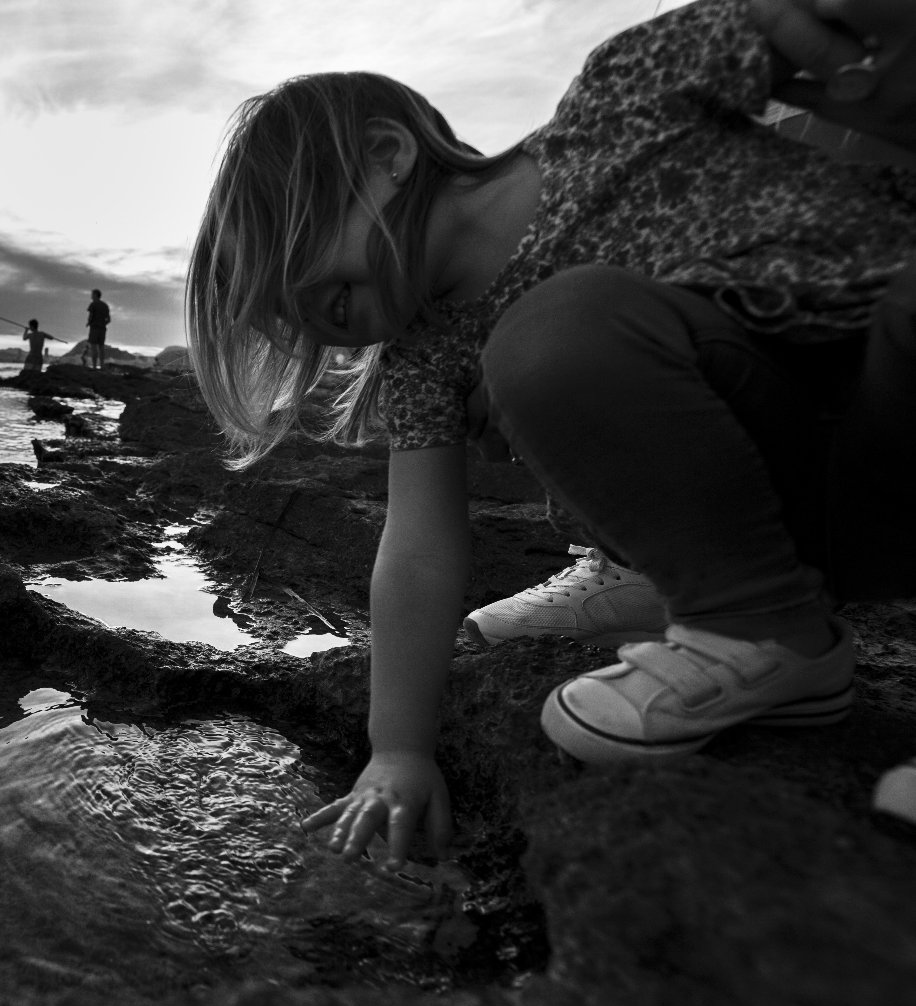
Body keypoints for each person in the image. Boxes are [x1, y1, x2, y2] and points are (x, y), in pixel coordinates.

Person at [185, 0, 916, 866]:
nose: (313, 327)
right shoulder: (422, 355)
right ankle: (754, 624)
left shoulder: (620, 100)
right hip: (802, 527)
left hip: (888, 397)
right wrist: (398, 750)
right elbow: (416, 547)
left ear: (387, 156)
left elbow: (812, 31)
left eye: (301, 267)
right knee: (547, 338)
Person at [86, 289, 112, 370]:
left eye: (92, 294)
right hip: (102, 329)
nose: (91, 296)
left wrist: (89, 323)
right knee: (101, 347)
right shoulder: (105, 305)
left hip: (94, 328)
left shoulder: (93, 304)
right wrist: (103, 324)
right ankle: (102, 365)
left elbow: (91, 315)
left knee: (94, 347)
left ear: (95, 295)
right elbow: (109, 319)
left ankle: (94, 366)